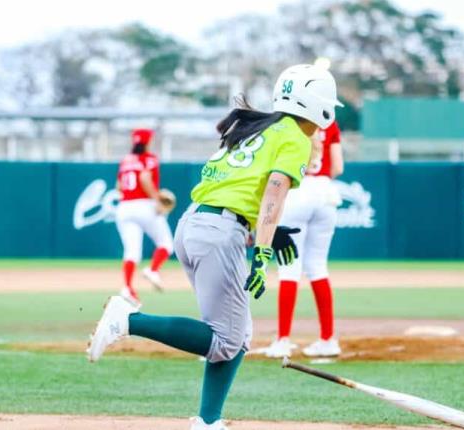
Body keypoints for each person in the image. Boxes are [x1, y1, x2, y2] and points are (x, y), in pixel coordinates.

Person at [87, 64, 342, 430]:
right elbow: (273, 191)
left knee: (235, 336)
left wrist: (262, 232)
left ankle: (208, 421)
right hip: (219, 232)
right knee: (226, 339)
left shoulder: (262, 126)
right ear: (317, 105)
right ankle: (128, 320)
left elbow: (239, 189)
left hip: (197, 224)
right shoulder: (294, 138)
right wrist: (263, 250)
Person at [264, 120, 344, 359]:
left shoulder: (288, 122)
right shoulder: (331, 124)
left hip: (298, 193)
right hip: (326, 193)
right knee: (318, 268)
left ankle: (283, 340)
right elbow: (337, 167)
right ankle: (328, 339)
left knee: (289, 269)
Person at [115, 128, 173, 304]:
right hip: (144, 206)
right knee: (166, 244)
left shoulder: (126, 160)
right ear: (148, 141)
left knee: (132, 252)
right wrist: (157, 200)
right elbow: (145, 179)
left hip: (124, 207)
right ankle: (153, 270)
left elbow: (118, 186)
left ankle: (127, 287)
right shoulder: (149, 159)